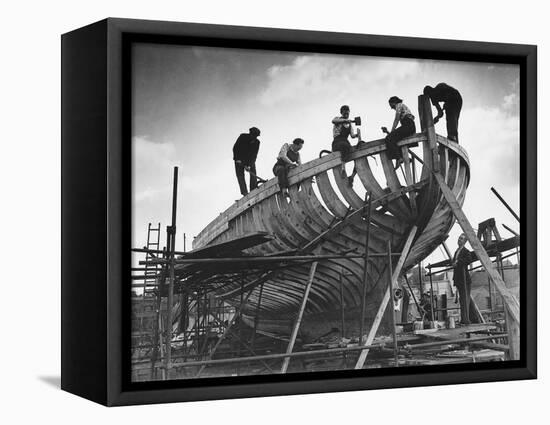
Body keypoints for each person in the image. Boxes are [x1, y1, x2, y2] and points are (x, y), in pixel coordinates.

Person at [382, 96, 416, 170]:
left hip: (408, 125)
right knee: (393, 139)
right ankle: (400, 158)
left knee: (389, 138)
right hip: (409, 126)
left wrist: (391, 132)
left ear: (394, 102)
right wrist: (389, 132)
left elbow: (396, 119)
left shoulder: (399, 105)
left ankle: (399, 158)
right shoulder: (402, 107)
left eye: (392, 106)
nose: (392, 108)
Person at [331, 105, 362, 184]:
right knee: (344, 146)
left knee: (356, 154)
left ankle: (352, 176)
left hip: (346, 141)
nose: (346, 115)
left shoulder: (349, 124)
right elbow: (333, 121)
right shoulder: (338, 119)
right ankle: (343, 168)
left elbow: (352, 136)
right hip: (337, 142)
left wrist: (357, 135)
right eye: (344, 113)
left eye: (347, 113)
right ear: (341, 113)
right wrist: (344, 120)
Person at [233, 127, 261, 196]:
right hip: (239, 159)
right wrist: (238, 159)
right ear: (250, 133)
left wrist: (249, 165)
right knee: (240, 175)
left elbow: (254, 155)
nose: (254, 137)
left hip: (249, 160)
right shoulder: (242, 137)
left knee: (253, 171)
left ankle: (253, 189)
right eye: (253, 135)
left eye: (256, 136)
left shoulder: (257, 142)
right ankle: (244, 192)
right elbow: (235, 148)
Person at [452, 233, 473, 325]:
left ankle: (466, 319)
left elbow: (468, 260)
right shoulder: (457, 251)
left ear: (464, 242)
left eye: (461, 239)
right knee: (462, 300)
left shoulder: (466, 251)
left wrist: (458, 262)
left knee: (465, 299)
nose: (459, 240)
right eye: (459, 238)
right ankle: (464, 319)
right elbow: (454, 262)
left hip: (465, 279)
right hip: (459, 279)